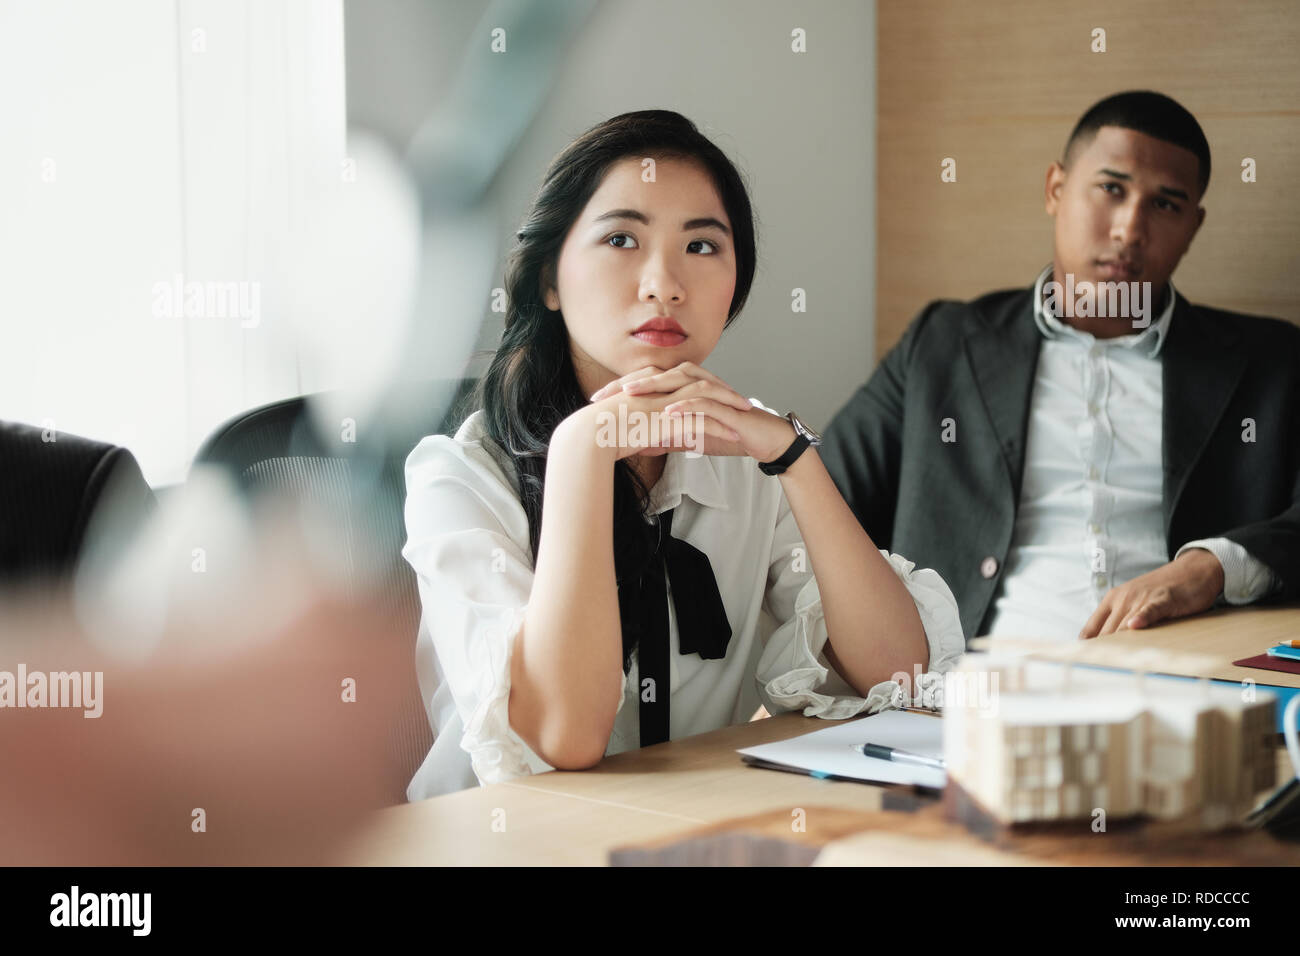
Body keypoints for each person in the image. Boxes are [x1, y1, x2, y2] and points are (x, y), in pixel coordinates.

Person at [402, 110, 963, 799]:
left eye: (702, 247)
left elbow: (897, 672)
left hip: (691, 831)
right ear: (550, 280)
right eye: (621, 239)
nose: (664, 283)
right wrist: (584, 450)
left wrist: (793, 455)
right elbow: (563, 740)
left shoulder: (740, 458)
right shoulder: (457, 479)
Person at [820, 90, 1299, 644]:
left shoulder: (1269, 363)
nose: (1129, 229)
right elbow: (825, 503)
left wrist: (1213, 567)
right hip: (967, 686)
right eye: (1111, 189)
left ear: (1193, 225)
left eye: (1166, 204)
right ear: (1056, 189)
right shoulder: (943, 342)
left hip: (1177, 682)